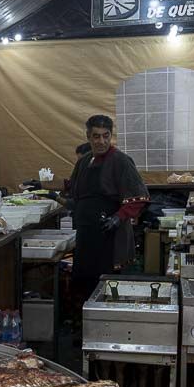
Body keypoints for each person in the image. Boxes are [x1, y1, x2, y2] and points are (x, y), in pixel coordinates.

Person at [65, 115, 148, 306]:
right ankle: (84, 325)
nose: (101, 141)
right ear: (88, 136)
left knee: (108, 286)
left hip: (111, 236)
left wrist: (118, 218)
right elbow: (76, 197)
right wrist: (51, 195)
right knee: (84, 281)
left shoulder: (121, 161)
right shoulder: (83, 162)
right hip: (86, 234)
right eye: (96, 136)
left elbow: (138, 198)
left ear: (111, 135)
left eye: (105, 136)